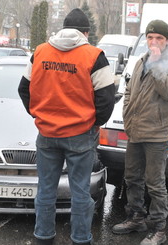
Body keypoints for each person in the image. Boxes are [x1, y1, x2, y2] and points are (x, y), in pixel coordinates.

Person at [18, 8, 115, 245]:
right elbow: (106, 98)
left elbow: (24, 89)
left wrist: (39, 115)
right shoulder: (94, 56)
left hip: (47, 134)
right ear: (86, 32)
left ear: (63, 29)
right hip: (79, 134)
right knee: (80, 192)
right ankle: (81, 239)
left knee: (46, 190)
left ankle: (43, 237)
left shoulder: (40, 52)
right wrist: (93, 123)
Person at [111, 20, 168, 245]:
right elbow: (129, 91)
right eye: (150, 37)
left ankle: (160, 230)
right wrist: (126, 115)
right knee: (132, 177)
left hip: (156, 134)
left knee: (155, 183)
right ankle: (136, 218)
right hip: (135, 131)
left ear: (167, 40)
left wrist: (155, 65)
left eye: (159, 38)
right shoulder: (140, 60)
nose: (154, 42)